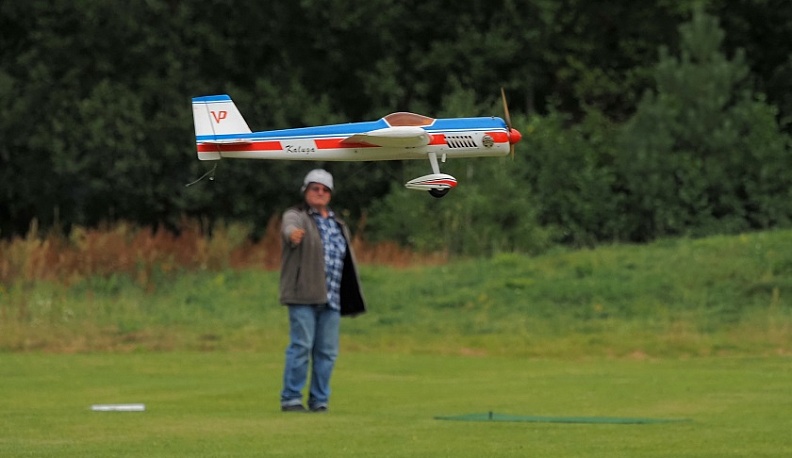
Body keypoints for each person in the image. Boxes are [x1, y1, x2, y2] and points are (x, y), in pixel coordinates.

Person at [279, 169, 366, 413]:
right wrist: (293, 235)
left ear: (330, 194)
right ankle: (291, 398)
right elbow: (288, 227)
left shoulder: (338, 224)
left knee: (327, 353)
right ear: (305, 191)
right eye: (315, 188)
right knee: (301, 347)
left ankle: (319, 400)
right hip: (303, 295)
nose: (320, 193)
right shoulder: (296, 216)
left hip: (332, 297)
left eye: (325, 189)